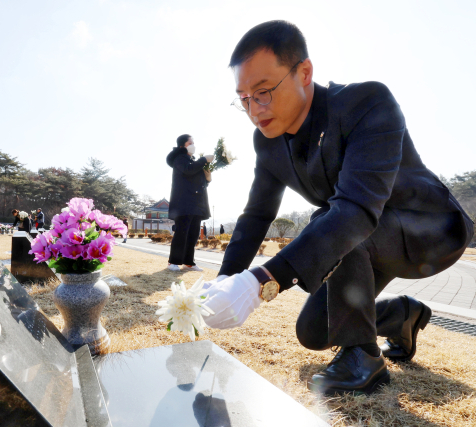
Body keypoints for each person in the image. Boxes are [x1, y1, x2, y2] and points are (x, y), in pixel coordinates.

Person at [200, 21, 473, 397]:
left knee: (332, 220)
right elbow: (257, 215)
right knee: (313, 332)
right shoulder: (267, 141)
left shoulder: (366, 103)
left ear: (305, 72)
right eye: (243, 98)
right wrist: (226, 279)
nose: (253, 110)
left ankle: (364, 359)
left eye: (263, 92)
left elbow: (355, 209)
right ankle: (402, 316)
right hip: (360, 237)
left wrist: (261, 281)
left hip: (430, 230)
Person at [166, 134, 214, 272]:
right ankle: (173, 261)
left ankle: (189, 262)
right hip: (184, 203)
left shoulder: (192, 161)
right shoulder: (179, 159)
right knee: (181, 233)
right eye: (190, 143)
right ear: (182, 146)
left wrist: (208, 179)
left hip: (196, 203)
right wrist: (203, 159)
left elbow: (198, 182)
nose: (193, 145)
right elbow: (188, 171)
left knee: (193, 234)